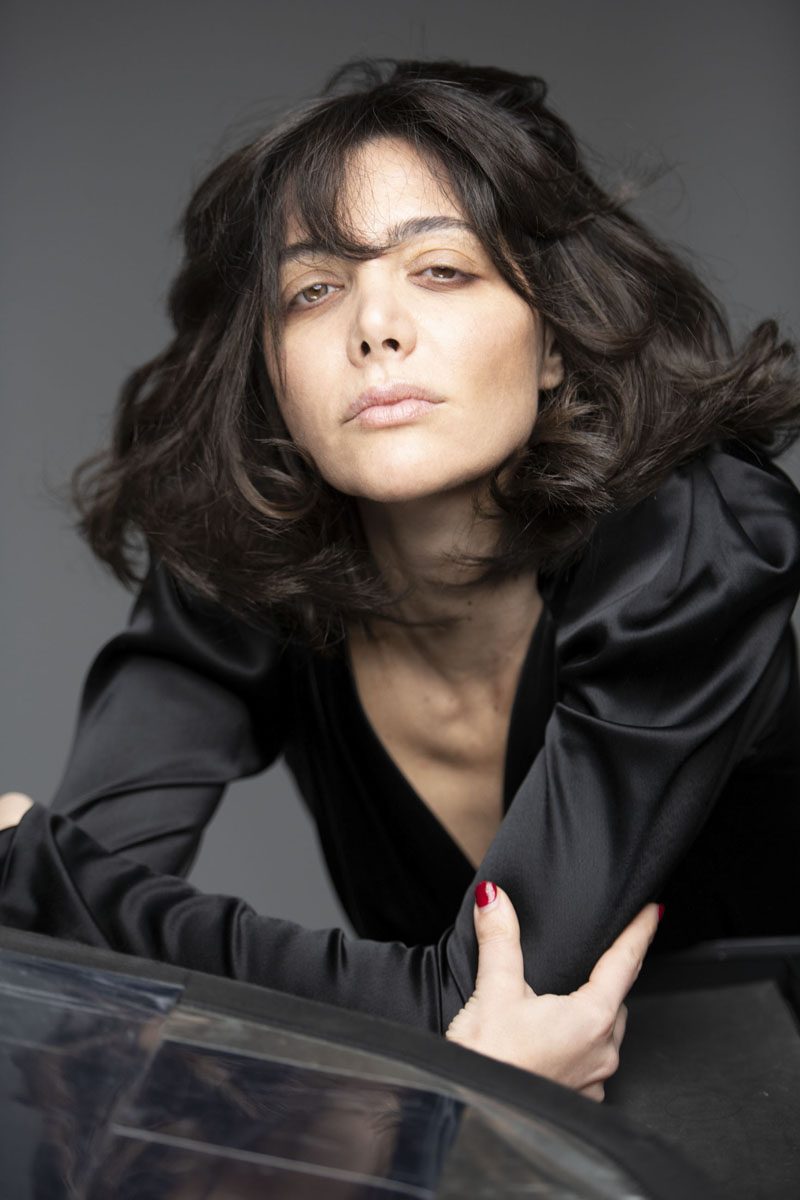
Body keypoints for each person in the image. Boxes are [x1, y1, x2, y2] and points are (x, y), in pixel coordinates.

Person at [1, 59, 798, 1100]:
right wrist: (49, 900)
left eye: (442, 270)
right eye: (313, 290)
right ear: (274, 378)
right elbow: (60, 970)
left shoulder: (691, 540)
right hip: (483, 1132)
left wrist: (27, 863)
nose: (373, 327)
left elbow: (467, 1006)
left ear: (553, 343)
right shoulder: (246, 564)